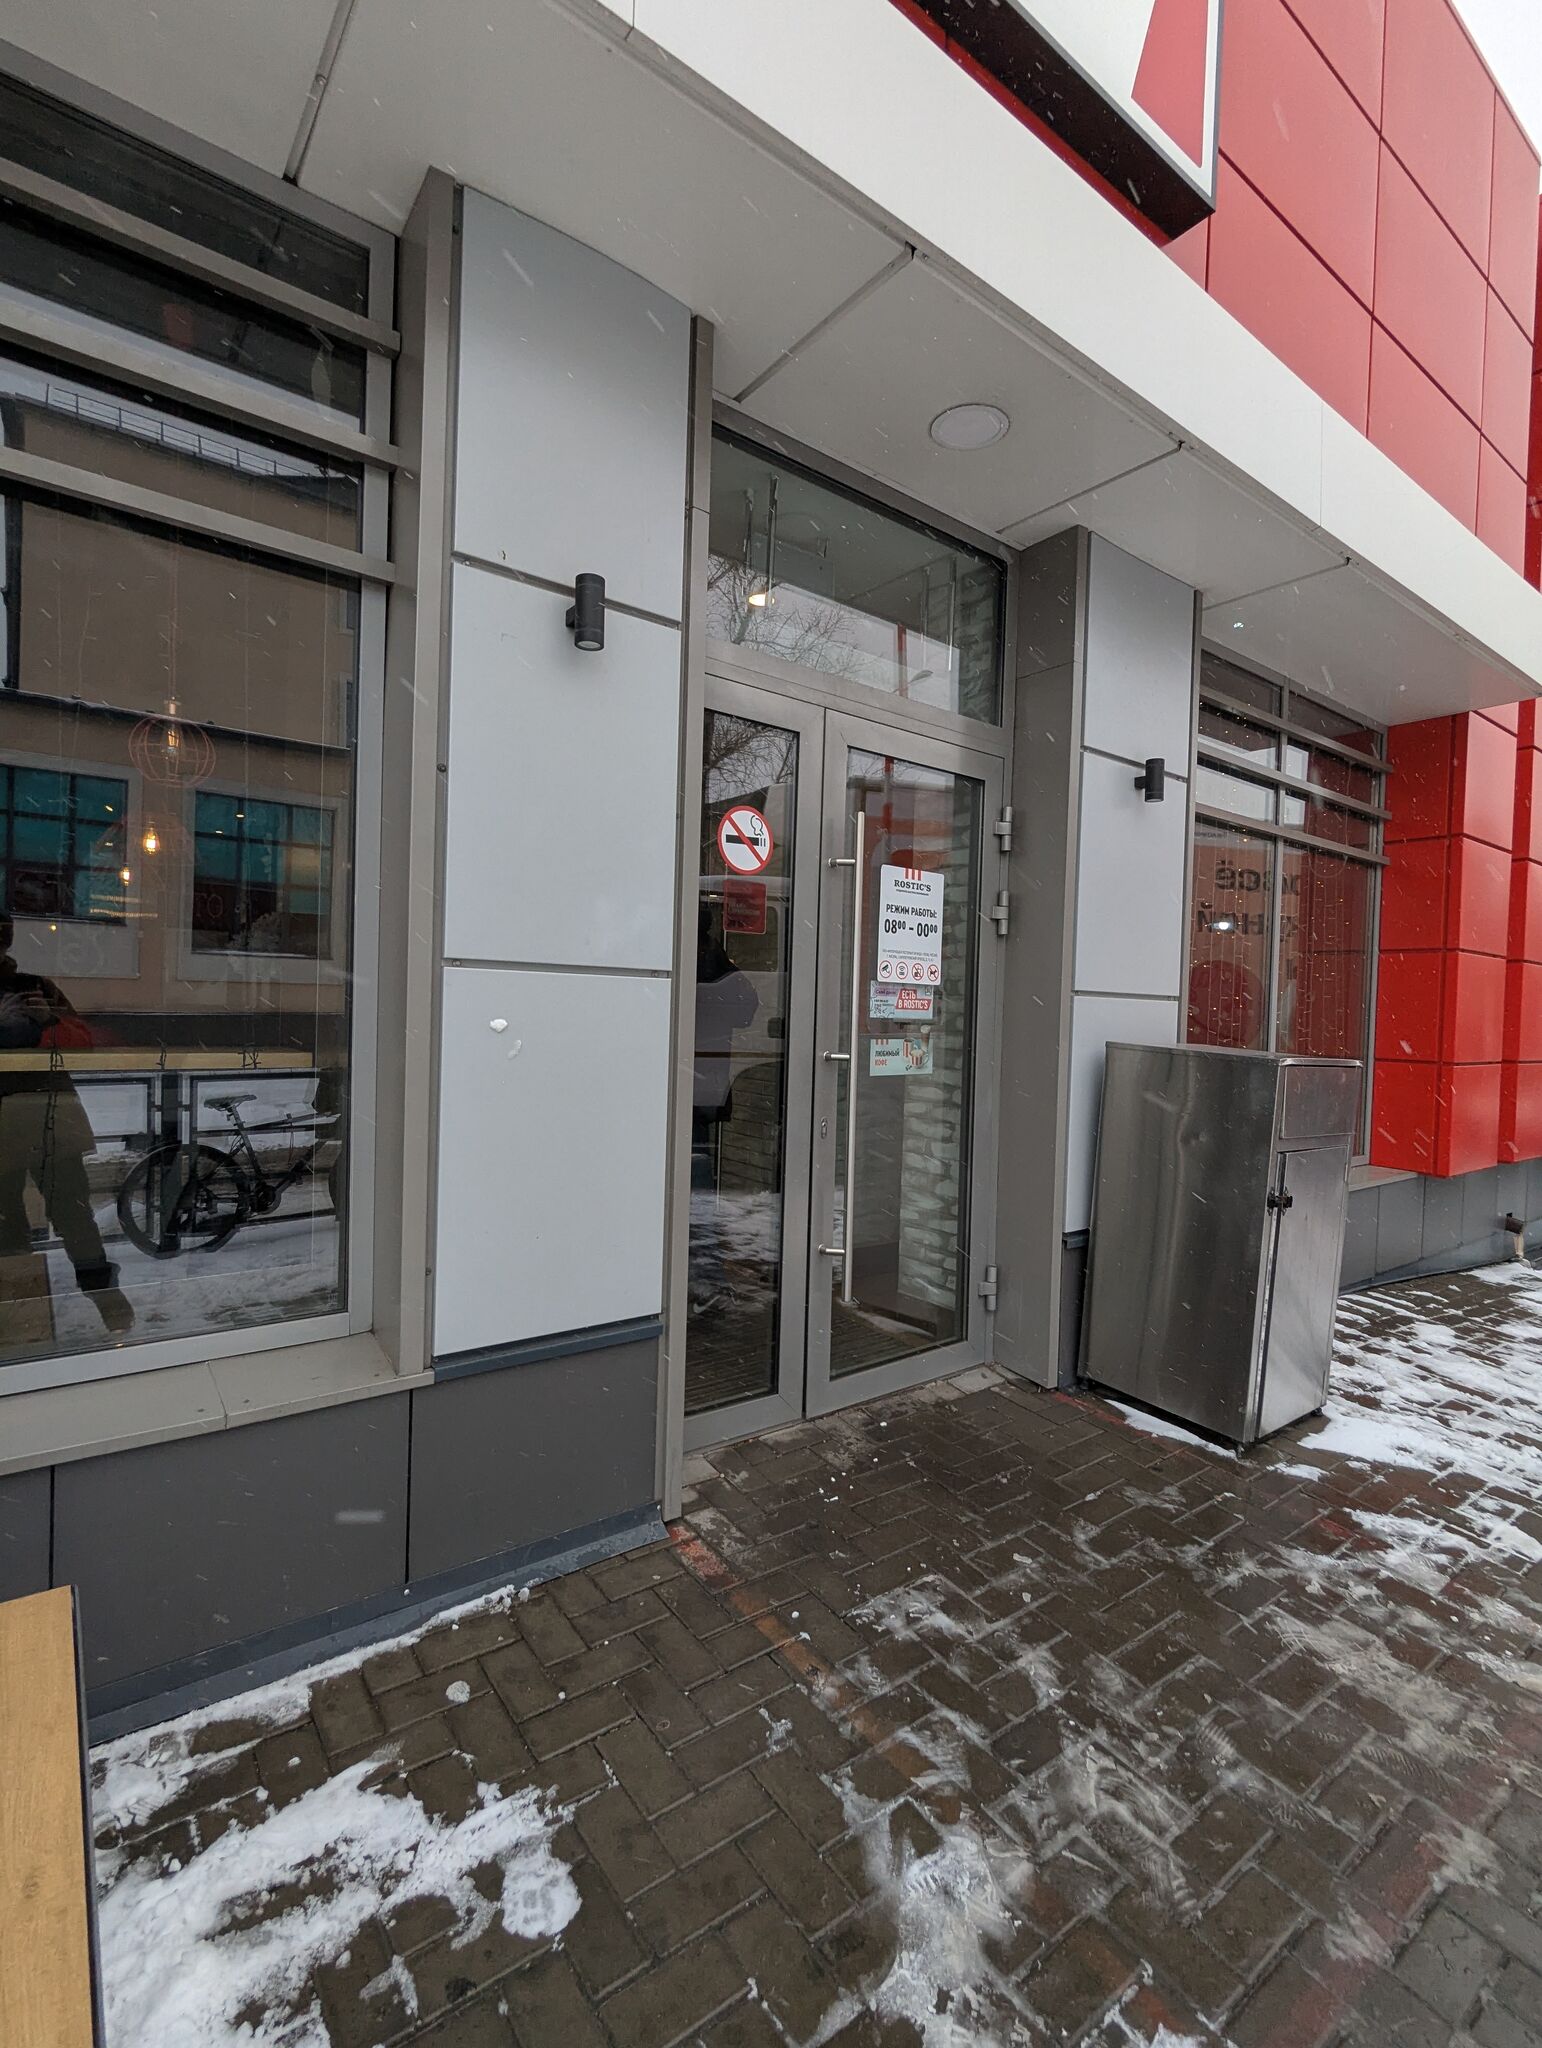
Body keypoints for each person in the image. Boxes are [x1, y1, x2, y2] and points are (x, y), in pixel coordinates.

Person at [0, 912, 133, 1336]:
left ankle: (106, 1302)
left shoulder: (36, 987)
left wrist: (47, 1021)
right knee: (11, 1223)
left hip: (48, 1119)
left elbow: (84, 1045)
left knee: (72, 1218)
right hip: (39, 1120)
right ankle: (22, 1315)